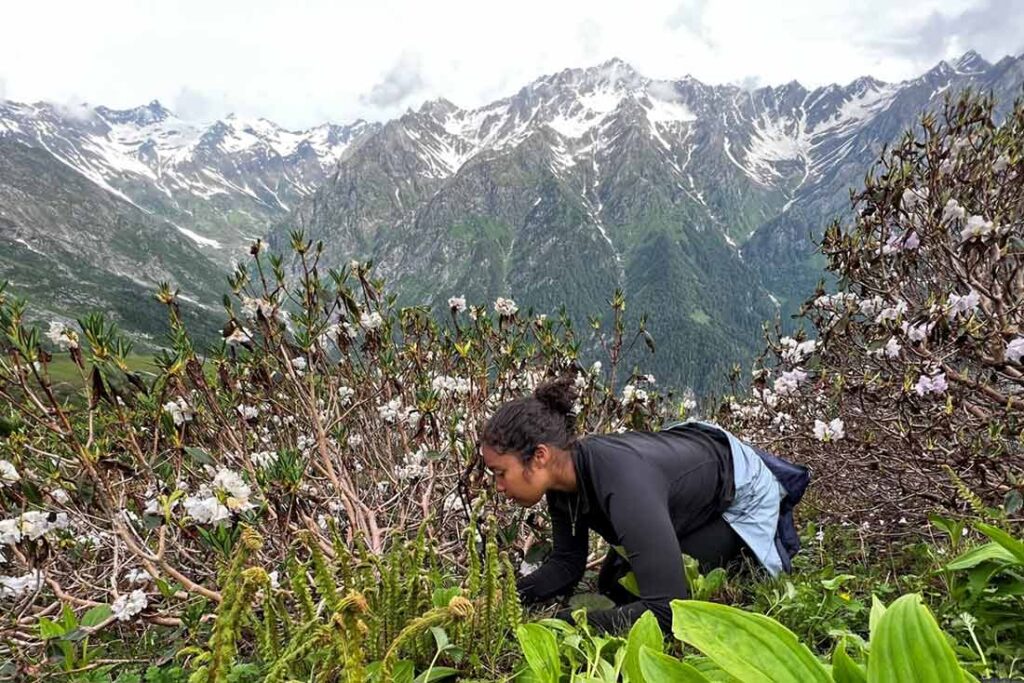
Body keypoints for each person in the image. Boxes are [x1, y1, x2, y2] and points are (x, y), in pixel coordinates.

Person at [479, 375, 808, 634]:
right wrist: (498, 599)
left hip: (740, 492)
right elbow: (567, 564)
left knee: (628, 591)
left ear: (539, 456)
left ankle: (740, 554)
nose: (499, 485)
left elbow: (668, 609)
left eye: (500, 472)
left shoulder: (622, 483)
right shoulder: (562, 482)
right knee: (614, 581)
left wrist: (569, 624)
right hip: (682, 467)